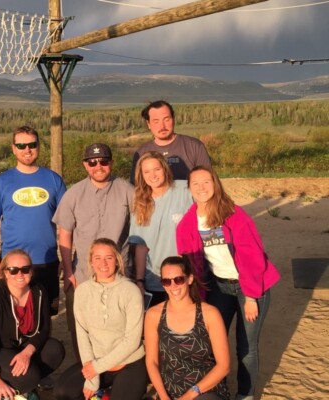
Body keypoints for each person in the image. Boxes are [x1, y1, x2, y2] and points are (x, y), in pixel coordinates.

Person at [176, 166, 280, 400]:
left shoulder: (234, 214)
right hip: (220, 286)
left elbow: (252, 257)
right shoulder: (186, 224)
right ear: (189, 188)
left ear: (215, 184)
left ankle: (245, 394)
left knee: (246, 348)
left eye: (207, 182)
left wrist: (251, 296)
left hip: (251, 287)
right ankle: (216, 390)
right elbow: (190, 264)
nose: (202, 188)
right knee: (214, 343)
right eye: (196, 184)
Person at [52, 142, 134, 360]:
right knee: (80, 328)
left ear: (111, 163)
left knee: (119, 326)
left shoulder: (127, 190)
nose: (99, 166)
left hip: (119, 272)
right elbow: (65, 234)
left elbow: (142, 228)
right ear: (85, 165)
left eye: (104, 161)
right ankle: (86, 372)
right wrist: (68, 270)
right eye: (92, 162)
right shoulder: (73, 194)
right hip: (82, 273)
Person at [0, 126, 66, 315]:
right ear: (13, 148)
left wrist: (65, 258)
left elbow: (66, 224)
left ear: (38, 146)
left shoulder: (54, 180)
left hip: (46, 260)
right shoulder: (1, 182)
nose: (27, 149)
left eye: (32, 144)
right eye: (21, 145)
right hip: (12, 262)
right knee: (12, 314)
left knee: (45, 315)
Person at [54, 238, 148, 400]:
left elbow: (132, 340)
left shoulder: (131, 291)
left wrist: (96, 368)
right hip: (96, 361)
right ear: (91, 261)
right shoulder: (82, 291)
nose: (103, 263)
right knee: (63, 392)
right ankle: (103, 395)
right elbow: (82, 335)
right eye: (97, 258)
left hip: (128, 362)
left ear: (117, 261)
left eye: (109, 258)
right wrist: (93, 375)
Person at [0, 249, 65, 400]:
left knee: (55, 350)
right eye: (13, 270)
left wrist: (27, 353)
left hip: (21, 346)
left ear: (31, 271)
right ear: (6, 273)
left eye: (25, 269)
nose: (20, 274)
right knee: (31, 376)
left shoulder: (38, 291)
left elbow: (45, 328)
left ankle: (20, 386)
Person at [144, 256, 230, 400]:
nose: (173, 286)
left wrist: (190, 395)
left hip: (204, 389)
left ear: (189, 279)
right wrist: (164, 397)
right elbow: (152, 362)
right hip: (170, 389)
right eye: (166, 281)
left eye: (178, 279)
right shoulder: (154, 315)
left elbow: (224, 366)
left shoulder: (210, 314)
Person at [129, 151, 193, 306]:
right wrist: (140, 279)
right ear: (141, 175)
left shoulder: (185, 190)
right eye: (147, 171)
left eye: (157, 169)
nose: (153, 175)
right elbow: (140, 247)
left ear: (164, 168)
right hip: (155, 279)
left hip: (183, 277)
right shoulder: (140, 202)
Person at [129, 100, 211, 184]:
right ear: (148, 124)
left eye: (166, 119)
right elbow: (136, 186)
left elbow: (208, 181)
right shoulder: (141, 153)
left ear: (173, 119)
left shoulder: (194, 146)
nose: (162, 126)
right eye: (156, 121)